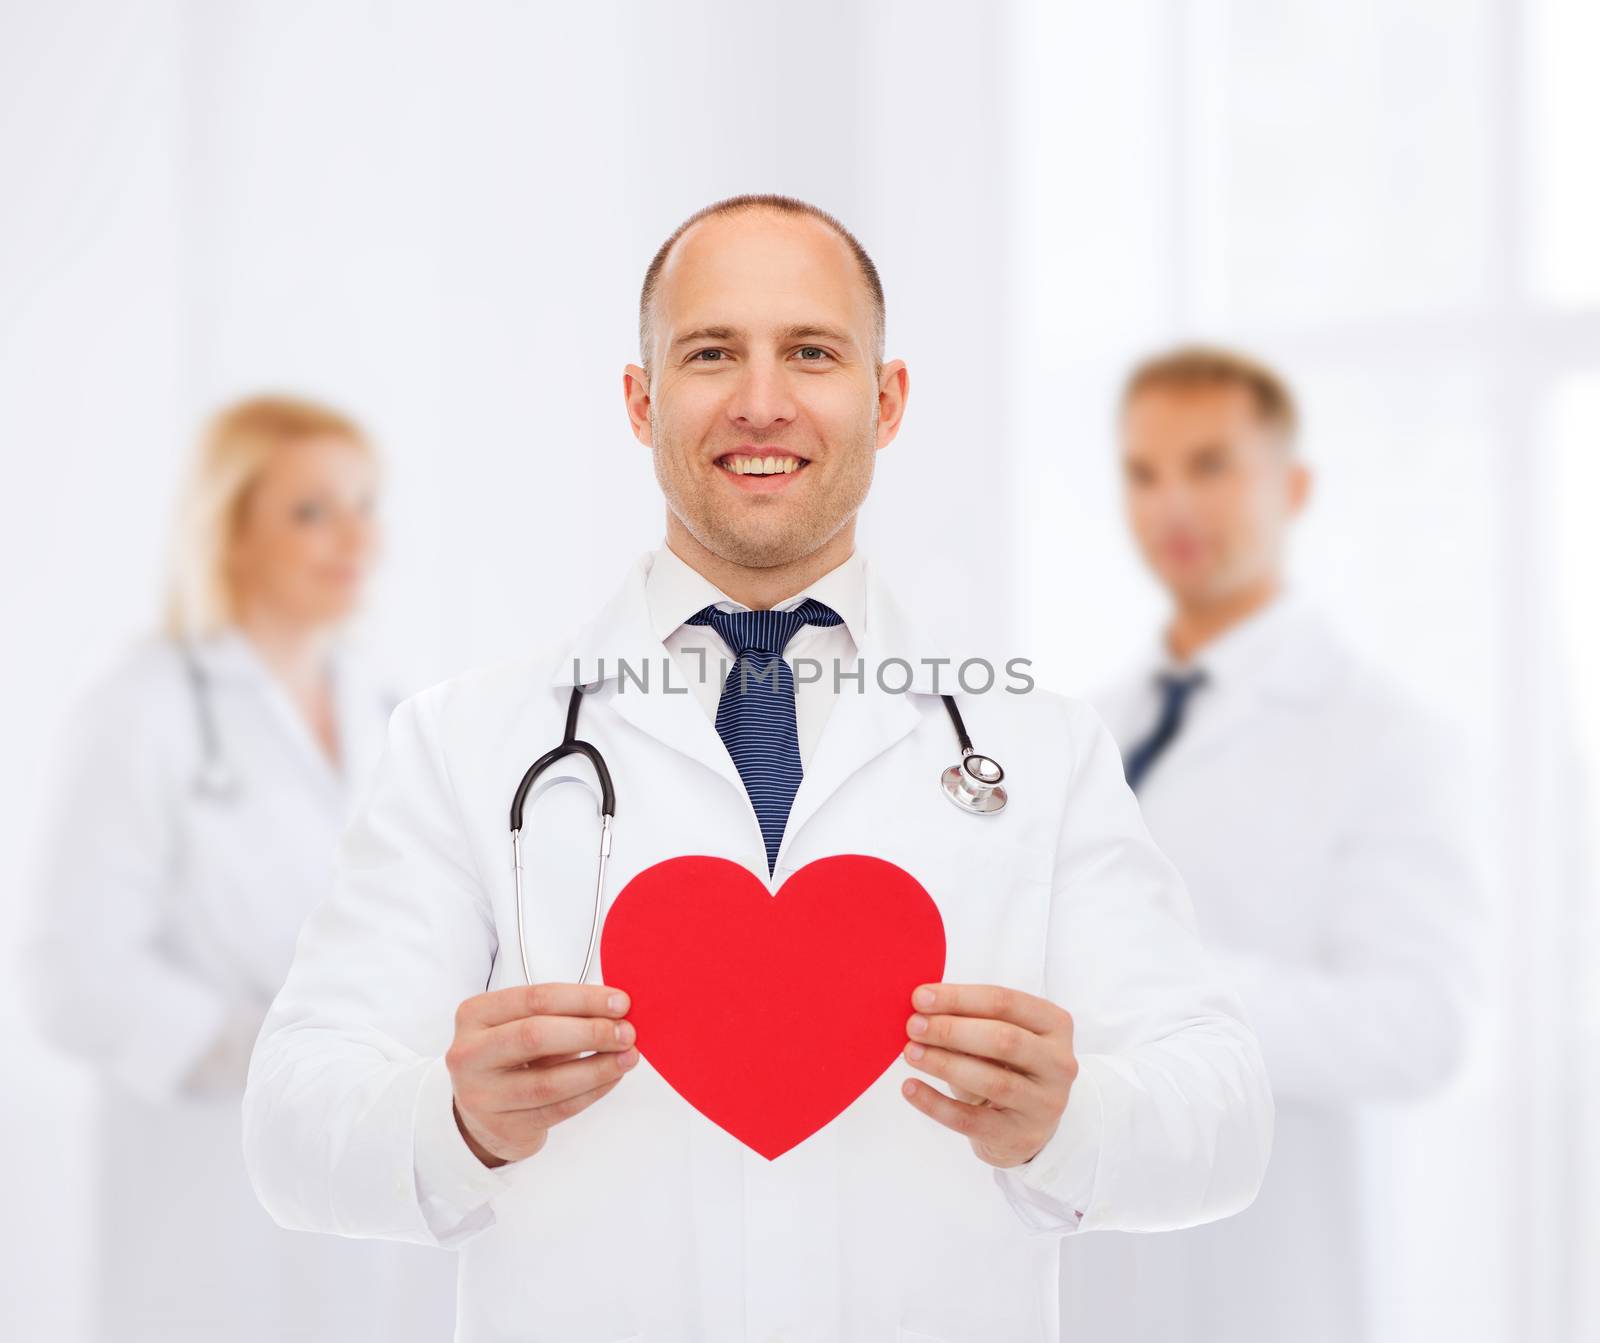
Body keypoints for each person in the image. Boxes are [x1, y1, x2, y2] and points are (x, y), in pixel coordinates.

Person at [242, 196, 1274, 1343]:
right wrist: (455, 1123)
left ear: (885, 402)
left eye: (812, 352)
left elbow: (1224, 1114)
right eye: (711, 352)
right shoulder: (465, 740)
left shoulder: (1037, 743)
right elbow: (289, 1122)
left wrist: (1069, 1122)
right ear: (641, 402)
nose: (762, 400)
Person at [1061, 347, 1481, 1343]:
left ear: (1291, 486)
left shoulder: (1383, 733)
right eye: (1143, 471)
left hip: (1270, 1274)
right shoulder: (1082, 729)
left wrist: (1155, 989)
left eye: (1210, 465)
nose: (1172, 505)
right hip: (1090, 1254)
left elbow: (1420, 1027)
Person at [25, 396, 457, 1342]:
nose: (355, 536)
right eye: (311, 511)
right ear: (230, 533)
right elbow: (75, 978)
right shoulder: (139, 709)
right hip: (205, 1178)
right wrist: (260, 1046)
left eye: (365, 504)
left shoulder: (390, 707)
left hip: (371, 1165)